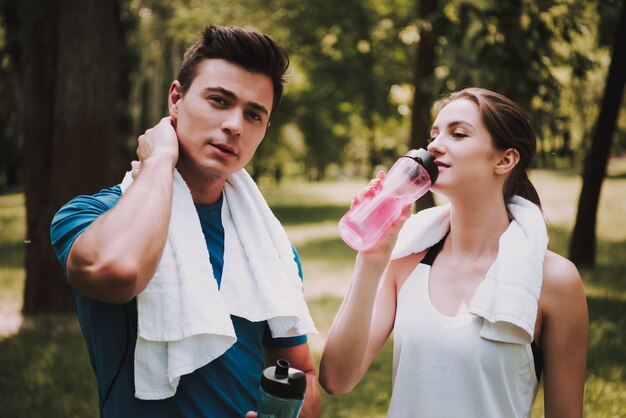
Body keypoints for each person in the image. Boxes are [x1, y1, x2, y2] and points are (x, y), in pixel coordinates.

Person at [50, 25, 320, 418]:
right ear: (175, 99)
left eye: (253, 114)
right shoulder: (89, 216)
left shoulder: (271, 248)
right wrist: (159, 159)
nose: (234, 125)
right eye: (218, 100)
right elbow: (117, 269)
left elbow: (302, 374)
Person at [319, 88, 588, 417]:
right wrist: (371, 260)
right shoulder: (407, 260)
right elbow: (336, 379)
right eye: (434, 134)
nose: (433, 145)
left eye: (458, 133)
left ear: (505, 159)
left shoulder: (554, 281)